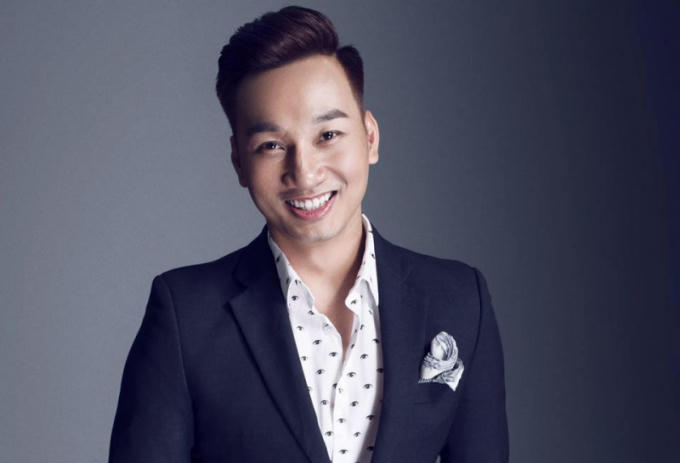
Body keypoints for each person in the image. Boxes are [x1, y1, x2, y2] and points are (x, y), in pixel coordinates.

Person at [109, 6, 508, 463]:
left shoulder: (459, 300)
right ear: (239, 161)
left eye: (328, 135)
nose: (304, 171)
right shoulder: (186, 316)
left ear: (370, 137)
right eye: (271, 146)